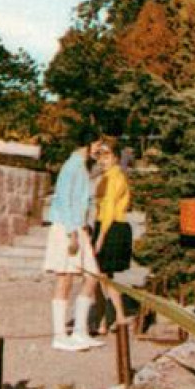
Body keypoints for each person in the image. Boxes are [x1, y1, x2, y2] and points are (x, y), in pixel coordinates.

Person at [43, 142, 104, 352]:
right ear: (86, 143)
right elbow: (63, 200)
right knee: (65, 279)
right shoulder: (71, 166)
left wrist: (84, 227)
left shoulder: (82, 166)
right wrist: (72, 233)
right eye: (97, 144)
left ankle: (79, 332)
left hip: (78, 228)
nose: (99, 149)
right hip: (66, 228)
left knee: (92, 276)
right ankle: (59, 336)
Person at [92, 138, 133, 331]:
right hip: (102, 225)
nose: (102, 160)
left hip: (112, 227)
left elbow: (109, 210)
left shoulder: (116, 178)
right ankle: (105, 317)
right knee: (98, 275)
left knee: (103, 275)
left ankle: (117, 315)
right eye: (100, 156)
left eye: (107, 155)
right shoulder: (104, 177)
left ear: (116, 158)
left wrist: (100, 238)